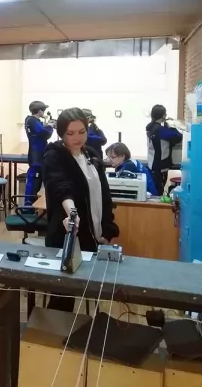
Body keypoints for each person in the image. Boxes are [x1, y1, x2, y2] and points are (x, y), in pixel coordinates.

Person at [43, 107, 119, 312]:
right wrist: (72, 213)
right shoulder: (54, 156)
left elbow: (103, 194)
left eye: (82, 132)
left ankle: (85, 329)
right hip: (68, 236)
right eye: (71, 133)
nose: (77, 137)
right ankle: (53, 331)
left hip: (94, 235)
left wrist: (106, 227)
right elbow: (61, 187)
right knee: (63, 298)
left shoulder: (91, 154)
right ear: (61, 133)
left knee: (90, 290)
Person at [146, 104, 182, 195]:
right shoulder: (159, 130)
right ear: (163, 116)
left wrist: (166, 125)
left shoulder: (151, 127)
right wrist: (171, 126)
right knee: (159, 190)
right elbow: (178, 137)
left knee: (155, 188)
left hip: (152, 162)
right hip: (160, 164)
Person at [25, 101, 53, 206]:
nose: (44, 112)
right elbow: (44, 133)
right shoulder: (32, 120)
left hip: (37, 154)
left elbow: (39, 130)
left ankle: (32, 205)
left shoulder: (30, 120)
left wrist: (46, 125)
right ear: (40, 111)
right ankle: (28, 206)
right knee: (34, 181)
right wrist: (50, 126)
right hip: (37, 155)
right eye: (43, 110)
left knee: (36, 181)